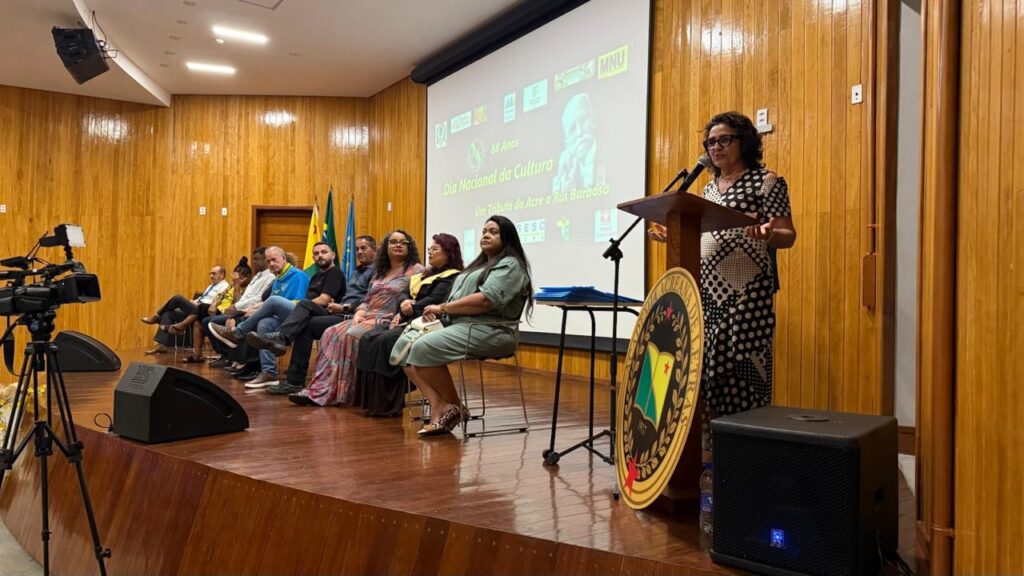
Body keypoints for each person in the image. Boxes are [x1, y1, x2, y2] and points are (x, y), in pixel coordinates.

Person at [648, 111, 796, 420]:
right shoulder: (708, 189)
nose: (716, 147)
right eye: (711, 142)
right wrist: (671, 236)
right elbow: (703, 234)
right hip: (707, 294)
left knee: (740, 370)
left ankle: (743, 449)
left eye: (724, 140)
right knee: (707, 372)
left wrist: (769, 234)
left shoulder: (766, 182)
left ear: (745, 142)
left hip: (748, 293)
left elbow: (787, 235)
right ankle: (710, 447)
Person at [392, 215, 534, 436]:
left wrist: (443, 308)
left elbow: (486, 300)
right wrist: (440, 314)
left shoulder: (510, 264)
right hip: (461, 325)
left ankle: (451, 407)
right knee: (403, 349)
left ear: (507, 237)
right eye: (484, 231)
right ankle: (442, 406)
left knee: (422, 347)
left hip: (492, 330)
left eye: (493, 231)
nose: (486, 235)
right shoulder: (480, 264)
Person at [289, 230, 423, 407]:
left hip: (389, 318)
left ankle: (348, 392)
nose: (398, 245)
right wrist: (359, 311)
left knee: (349, 336)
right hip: (365, 315)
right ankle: (319, 389)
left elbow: (418, 298)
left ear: (409, 246)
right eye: (393, 242)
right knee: (330, 333)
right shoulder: (380, 272)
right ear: (386, 247)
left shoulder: (417, 270)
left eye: (402, 242)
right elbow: (367, 299)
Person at [249, 236, 379, 396]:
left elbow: (370, 297)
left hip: (351, 314)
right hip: (334, 312)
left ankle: (281, 338)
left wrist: (346, 306)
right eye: (316, 253)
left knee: (303, 305)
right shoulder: (352, 273)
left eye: (363, 248)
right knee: (302, 325)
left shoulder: (370, 272)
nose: (359, 252)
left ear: (332, 255)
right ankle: (293, 382)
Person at [353, 233, 463, 417]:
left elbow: (435, 300)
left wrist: (409, 307)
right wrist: (404, 304)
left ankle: (387, 404)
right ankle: (371, 401)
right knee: (368, 337)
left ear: (449, 253)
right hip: (411, 319)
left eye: (435, 250)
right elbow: (403, 293)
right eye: (429, 249)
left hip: (429, 322)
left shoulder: (452, 276)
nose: (430, 253)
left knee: (386, 341)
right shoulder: (426, 274)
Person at [208, 246, 318, 388]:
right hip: (281, 316)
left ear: (283, 259)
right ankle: (269, 372)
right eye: (269, 261)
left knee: (274, 301)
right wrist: (253, 310)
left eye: (275, 260)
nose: (271, 264)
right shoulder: (278, 278)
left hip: (298, 316)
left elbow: (301, 303)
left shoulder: (298, 275)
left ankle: (237, 333)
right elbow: (268, 303)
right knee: (264, 324)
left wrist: (269, 306)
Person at [203, 247, 274, 369]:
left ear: (265, 259)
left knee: (212, 321)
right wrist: (236, 301)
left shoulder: (271, 277)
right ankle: (227, 355)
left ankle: (233, 357)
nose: (254, 262)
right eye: (254, 259)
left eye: (257, 259)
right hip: (239, 309)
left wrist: (237, 305)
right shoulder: (257, 277)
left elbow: (259, 299)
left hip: (250, 309)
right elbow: (242, 298)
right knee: (205, 321)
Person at [141, 265, 228, 354]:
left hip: (205, 311)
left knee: (177, 298)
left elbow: (214, 303)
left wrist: (197, 303)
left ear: (222, 275)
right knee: (168, 314)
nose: (211, 276)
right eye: (210, 274)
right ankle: (161, 345)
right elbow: (203, 298)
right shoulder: (211, 286)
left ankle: (157, 317)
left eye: (214, 273)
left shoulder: (225, 287)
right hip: (196, 308)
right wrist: (193, 301)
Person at [180, 257, 252, 363]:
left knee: (202, 309)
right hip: (220, 311)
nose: (236, 279)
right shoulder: (230, 286)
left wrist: (237, 286)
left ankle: (182, 326)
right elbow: (220, 295)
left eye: (240, 277)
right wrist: (213, 304)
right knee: (197, 323)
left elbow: (237, 305)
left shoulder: (247, 288)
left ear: (247, 277)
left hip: (233, 314)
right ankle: (197, 355)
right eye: (235, 276)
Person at [552, 92, 605, 193]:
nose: (580, 132)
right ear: (566, 143)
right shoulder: (565, 170)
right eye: (572, 129)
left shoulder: (610, 155)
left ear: (593, 121)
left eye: (583, 120)